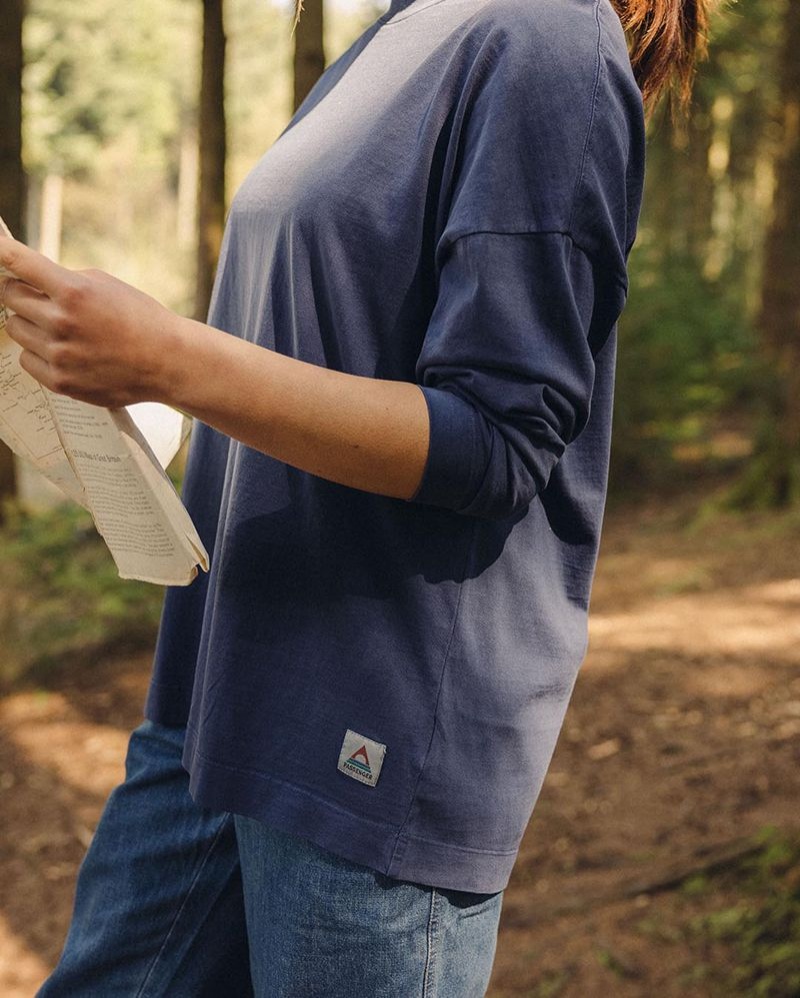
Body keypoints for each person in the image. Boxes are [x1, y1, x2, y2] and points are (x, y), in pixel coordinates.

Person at [0, 0, 715, 994]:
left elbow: (500, 439)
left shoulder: (543, 37)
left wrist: (166, 357)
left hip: (369, 731)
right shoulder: (405, 25)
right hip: (216, 692)